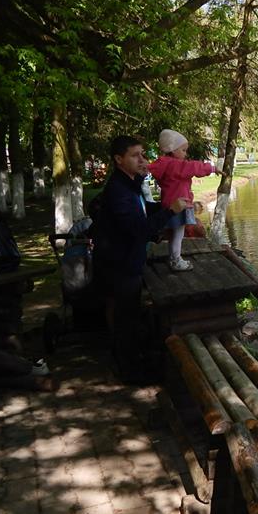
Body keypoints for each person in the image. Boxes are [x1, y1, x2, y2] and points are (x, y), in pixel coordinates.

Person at [90, 135, 191, 381]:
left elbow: (143, 209)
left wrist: (167, 206)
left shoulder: (129, 184)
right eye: (135, 155)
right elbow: (140, 228)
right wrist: (170, 211)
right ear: (118, 159)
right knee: (126, 321)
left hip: (126, 262)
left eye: (143, 154)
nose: (142, 160)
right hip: (120, 266)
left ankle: (130, 362)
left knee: (128, 317)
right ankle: (131, 372)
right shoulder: (119, 191)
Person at [148, 129, 216, 271]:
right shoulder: (175, 165)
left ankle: (173, 257)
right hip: (179, 205)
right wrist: (212, 168)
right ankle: (176, 260)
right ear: (173, 150)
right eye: (183, 150)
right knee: (178, 234)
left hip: (169, 204)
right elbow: (193, 167)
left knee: (174, 234)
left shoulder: (165, 164)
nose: (186, 154)